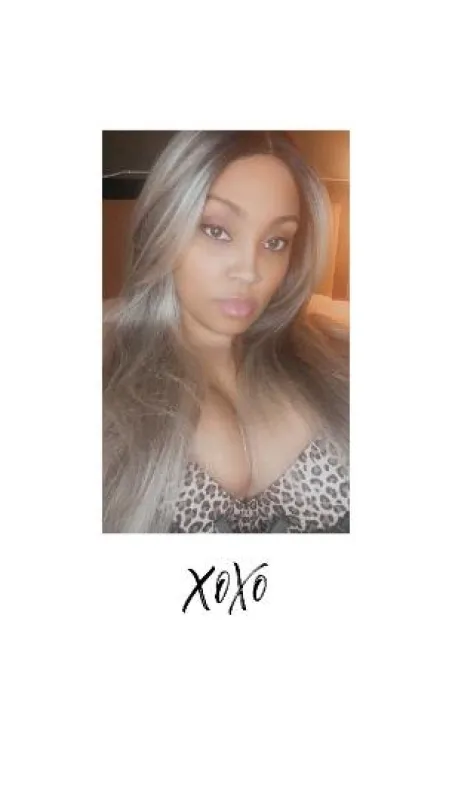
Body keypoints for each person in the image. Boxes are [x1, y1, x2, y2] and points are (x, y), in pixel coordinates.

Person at [103, 131, 349, 533]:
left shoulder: (338, 356)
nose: (250, 271)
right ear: (165, 223)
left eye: (276, 241)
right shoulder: (107, 367)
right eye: (217, 230)